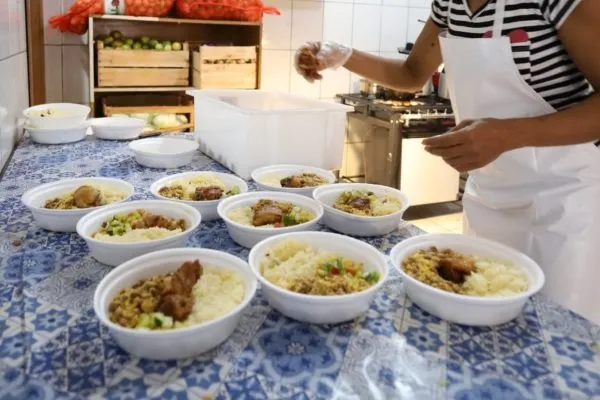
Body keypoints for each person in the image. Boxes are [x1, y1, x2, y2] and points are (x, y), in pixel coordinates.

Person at [294, 0, 600, 324]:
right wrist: (339, 54)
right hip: (491, 197)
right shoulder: (449, 5)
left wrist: (507, 135)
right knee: (484, 317)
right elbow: (411, 73)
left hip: (566, 201)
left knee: (557, 333)